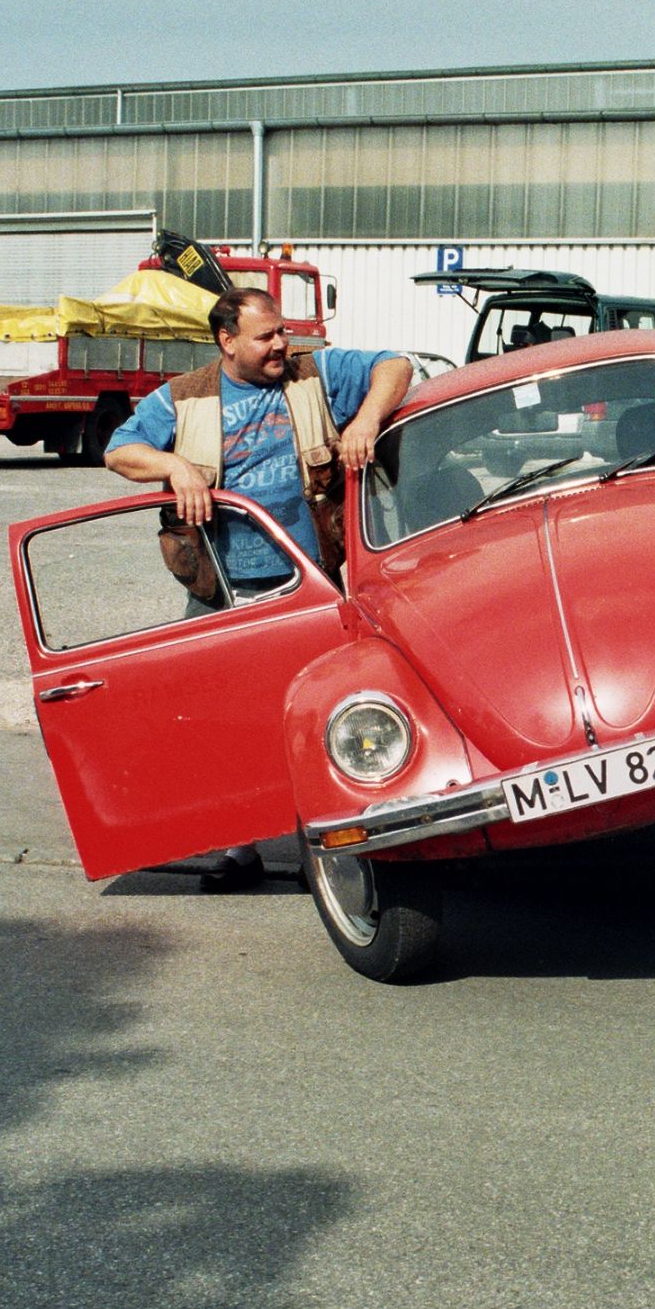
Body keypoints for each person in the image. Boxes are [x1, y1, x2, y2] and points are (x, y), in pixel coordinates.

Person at [103, 287, 411, 891]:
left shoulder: (311, 375)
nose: (281, 344)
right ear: (227, 341)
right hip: (221, 588)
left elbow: (396, 365)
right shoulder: (186, 397)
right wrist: (175, 467)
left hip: (307, 584)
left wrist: (367, 419)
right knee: (223, 721)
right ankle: (239, 849)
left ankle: (320, 849)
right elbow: (119, 451)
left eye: (282, 331)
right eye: (265, 336)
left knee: (317, 716)